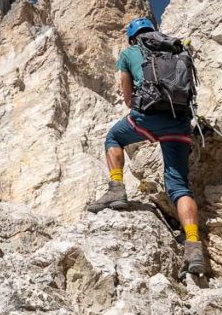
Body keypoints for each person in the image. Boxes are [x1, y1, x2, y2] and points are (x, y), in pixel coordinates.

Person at [87, 17, 205, 274]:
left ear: (132, 37)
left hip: (148, 117)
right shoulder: (176, 48)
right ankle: (193, 245)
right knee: (179, 187)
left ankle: (117, 189)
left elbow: (128, 96)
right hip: (180, 122)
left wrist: (142, 108)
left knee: (114, 138)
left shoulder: (129, 53)